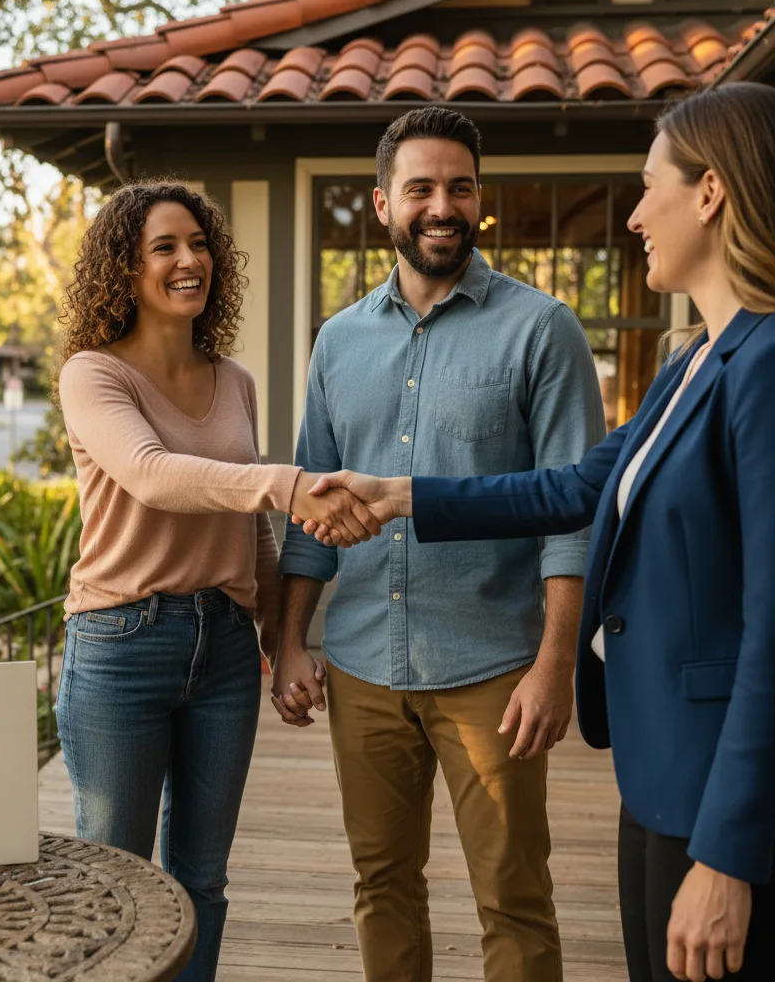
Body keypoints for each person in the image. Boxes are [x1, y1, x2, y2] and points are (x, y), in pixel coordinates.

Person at [299, 82, 775, 982]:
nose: (634, 215)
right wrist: (399, 496)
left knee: (520, 900)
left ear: (709, 194)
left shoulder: (762, 368)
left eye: (648, 187)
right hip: (657, 767)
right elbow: (572, 487)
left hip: (709, 782)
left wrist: (731, 850)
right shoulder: (689, 366)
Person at [272, 107, 607, 982]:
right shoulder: (337, 343)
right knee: (381, 882)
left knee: (513, 895)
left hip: (493, 668)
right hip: (362, 667)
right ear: (383, 204)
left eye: (459, 187)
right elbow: (314, 502)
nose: (441, 205)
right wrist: (288, 640)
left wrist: (555, 663)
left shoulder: (543, 330)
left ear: (479, 202)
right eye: (419, 188)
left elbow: (572, 513)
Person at [53, 180, 380, 982]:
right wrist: (289, 482)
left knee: (203, 879)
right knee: (112, 881)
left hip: (226, 651)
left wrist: (285, 643)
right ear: (123, 270)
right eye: (163, 247)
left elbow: (248, 532)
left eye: (198, 244)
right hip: (121, 644)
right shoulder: (93, 375)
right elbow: (154, 476)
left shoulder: (233, 380)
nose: (188, 260)